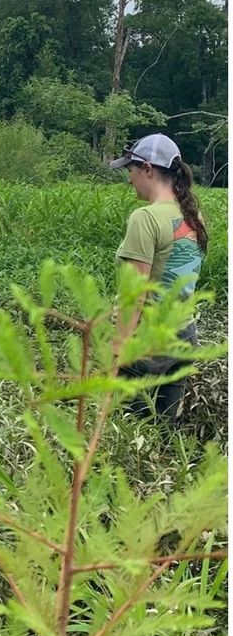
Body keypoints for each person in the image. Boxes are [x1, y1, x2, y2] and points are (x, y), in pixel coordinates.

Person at [109, 134, 207, 422]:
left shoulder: (145, 218)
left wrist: (119, 348)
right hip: (184, 337)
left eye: (131, 171)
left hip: (147, 343)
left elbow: (135, 294)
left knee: (129, 433)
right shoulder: (195, 216)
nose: (130, 180)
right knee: (165, 433)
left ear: (148, 169)